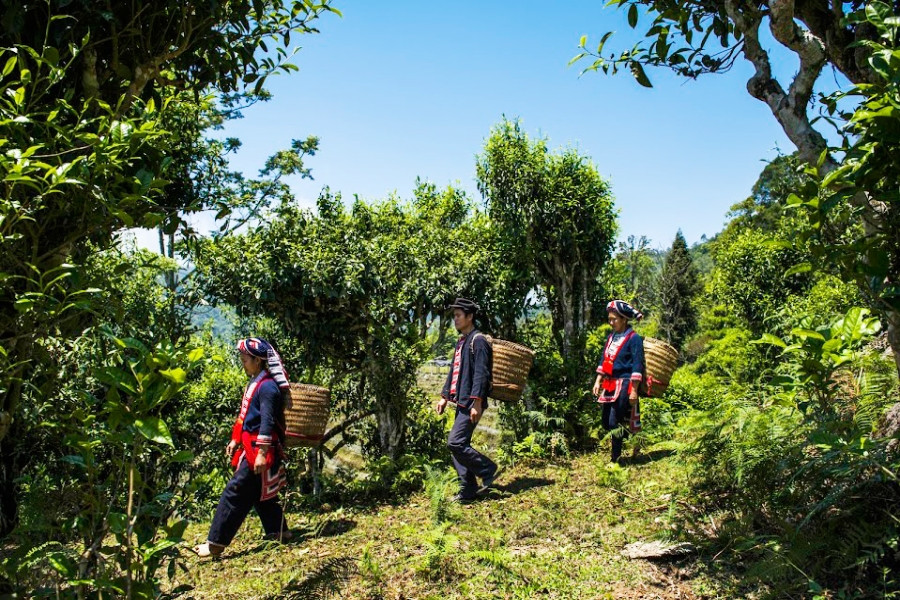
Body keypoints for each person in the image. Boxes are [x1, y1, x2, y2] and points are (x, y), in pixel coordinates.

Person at [195, 337, 292, 557]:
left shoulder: (267, 387)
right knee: (260, 495)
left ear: (257, 361)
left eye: (245, 358)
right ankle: (280, 533)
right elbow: (247, 415)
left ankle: (215, 544)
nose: (242, 362)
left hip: (258, 450)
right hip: (251, 446)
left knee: (235, 492)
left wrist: (261, 453)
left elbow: (266, 422)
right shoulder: (256, 383)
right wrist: (235, 439)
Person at [436, 298, 498, 502]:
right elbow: (454, 370)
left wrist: (477, 403)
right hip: (462, 401)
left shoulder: (478, 340)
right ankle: (468, 489)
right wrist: (445, 397)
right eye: (454, 316)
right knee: (457, 447)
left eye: (458, 315)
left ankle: (488, 469)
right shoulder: (462, 341)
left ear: (470, 316)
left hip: (471, 402)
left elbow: (482, 373)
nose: (455, 319)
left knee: (455, 443)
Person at [592, 300, 646, 463]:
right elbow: (604, 359)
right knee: (605, 422)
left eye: (614, 319)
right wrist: (597, 381)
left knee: (614, 421)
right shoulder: (611, 337)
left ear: (624, 319)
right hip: (609, 383)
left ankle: (615, 459)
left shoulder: (634, 338)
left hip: (625, 383)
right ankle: (636, 439)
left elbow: (637, 364)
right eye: (609, 319)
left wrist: (634, 390)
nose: (611, 322)